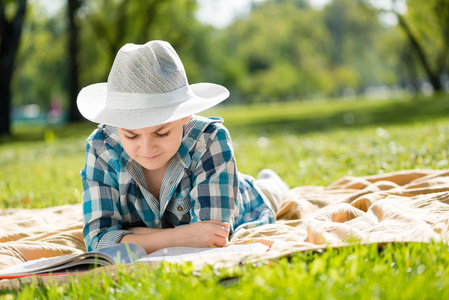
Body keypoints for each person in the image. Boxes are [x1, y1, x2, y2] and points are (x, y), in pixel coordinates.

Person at [77, 40, 289, 254]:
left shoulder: (210, 140)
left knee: (272, 191)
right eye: (131, 136)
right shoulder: (101, 148)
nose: (147, 147)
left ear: (186, 114)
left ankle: (272, 181)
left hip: (247, 200)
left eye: (162, 133)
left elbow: (211, 238)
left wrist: (129, 235)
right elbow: (97, 241)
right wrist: (182, 236)